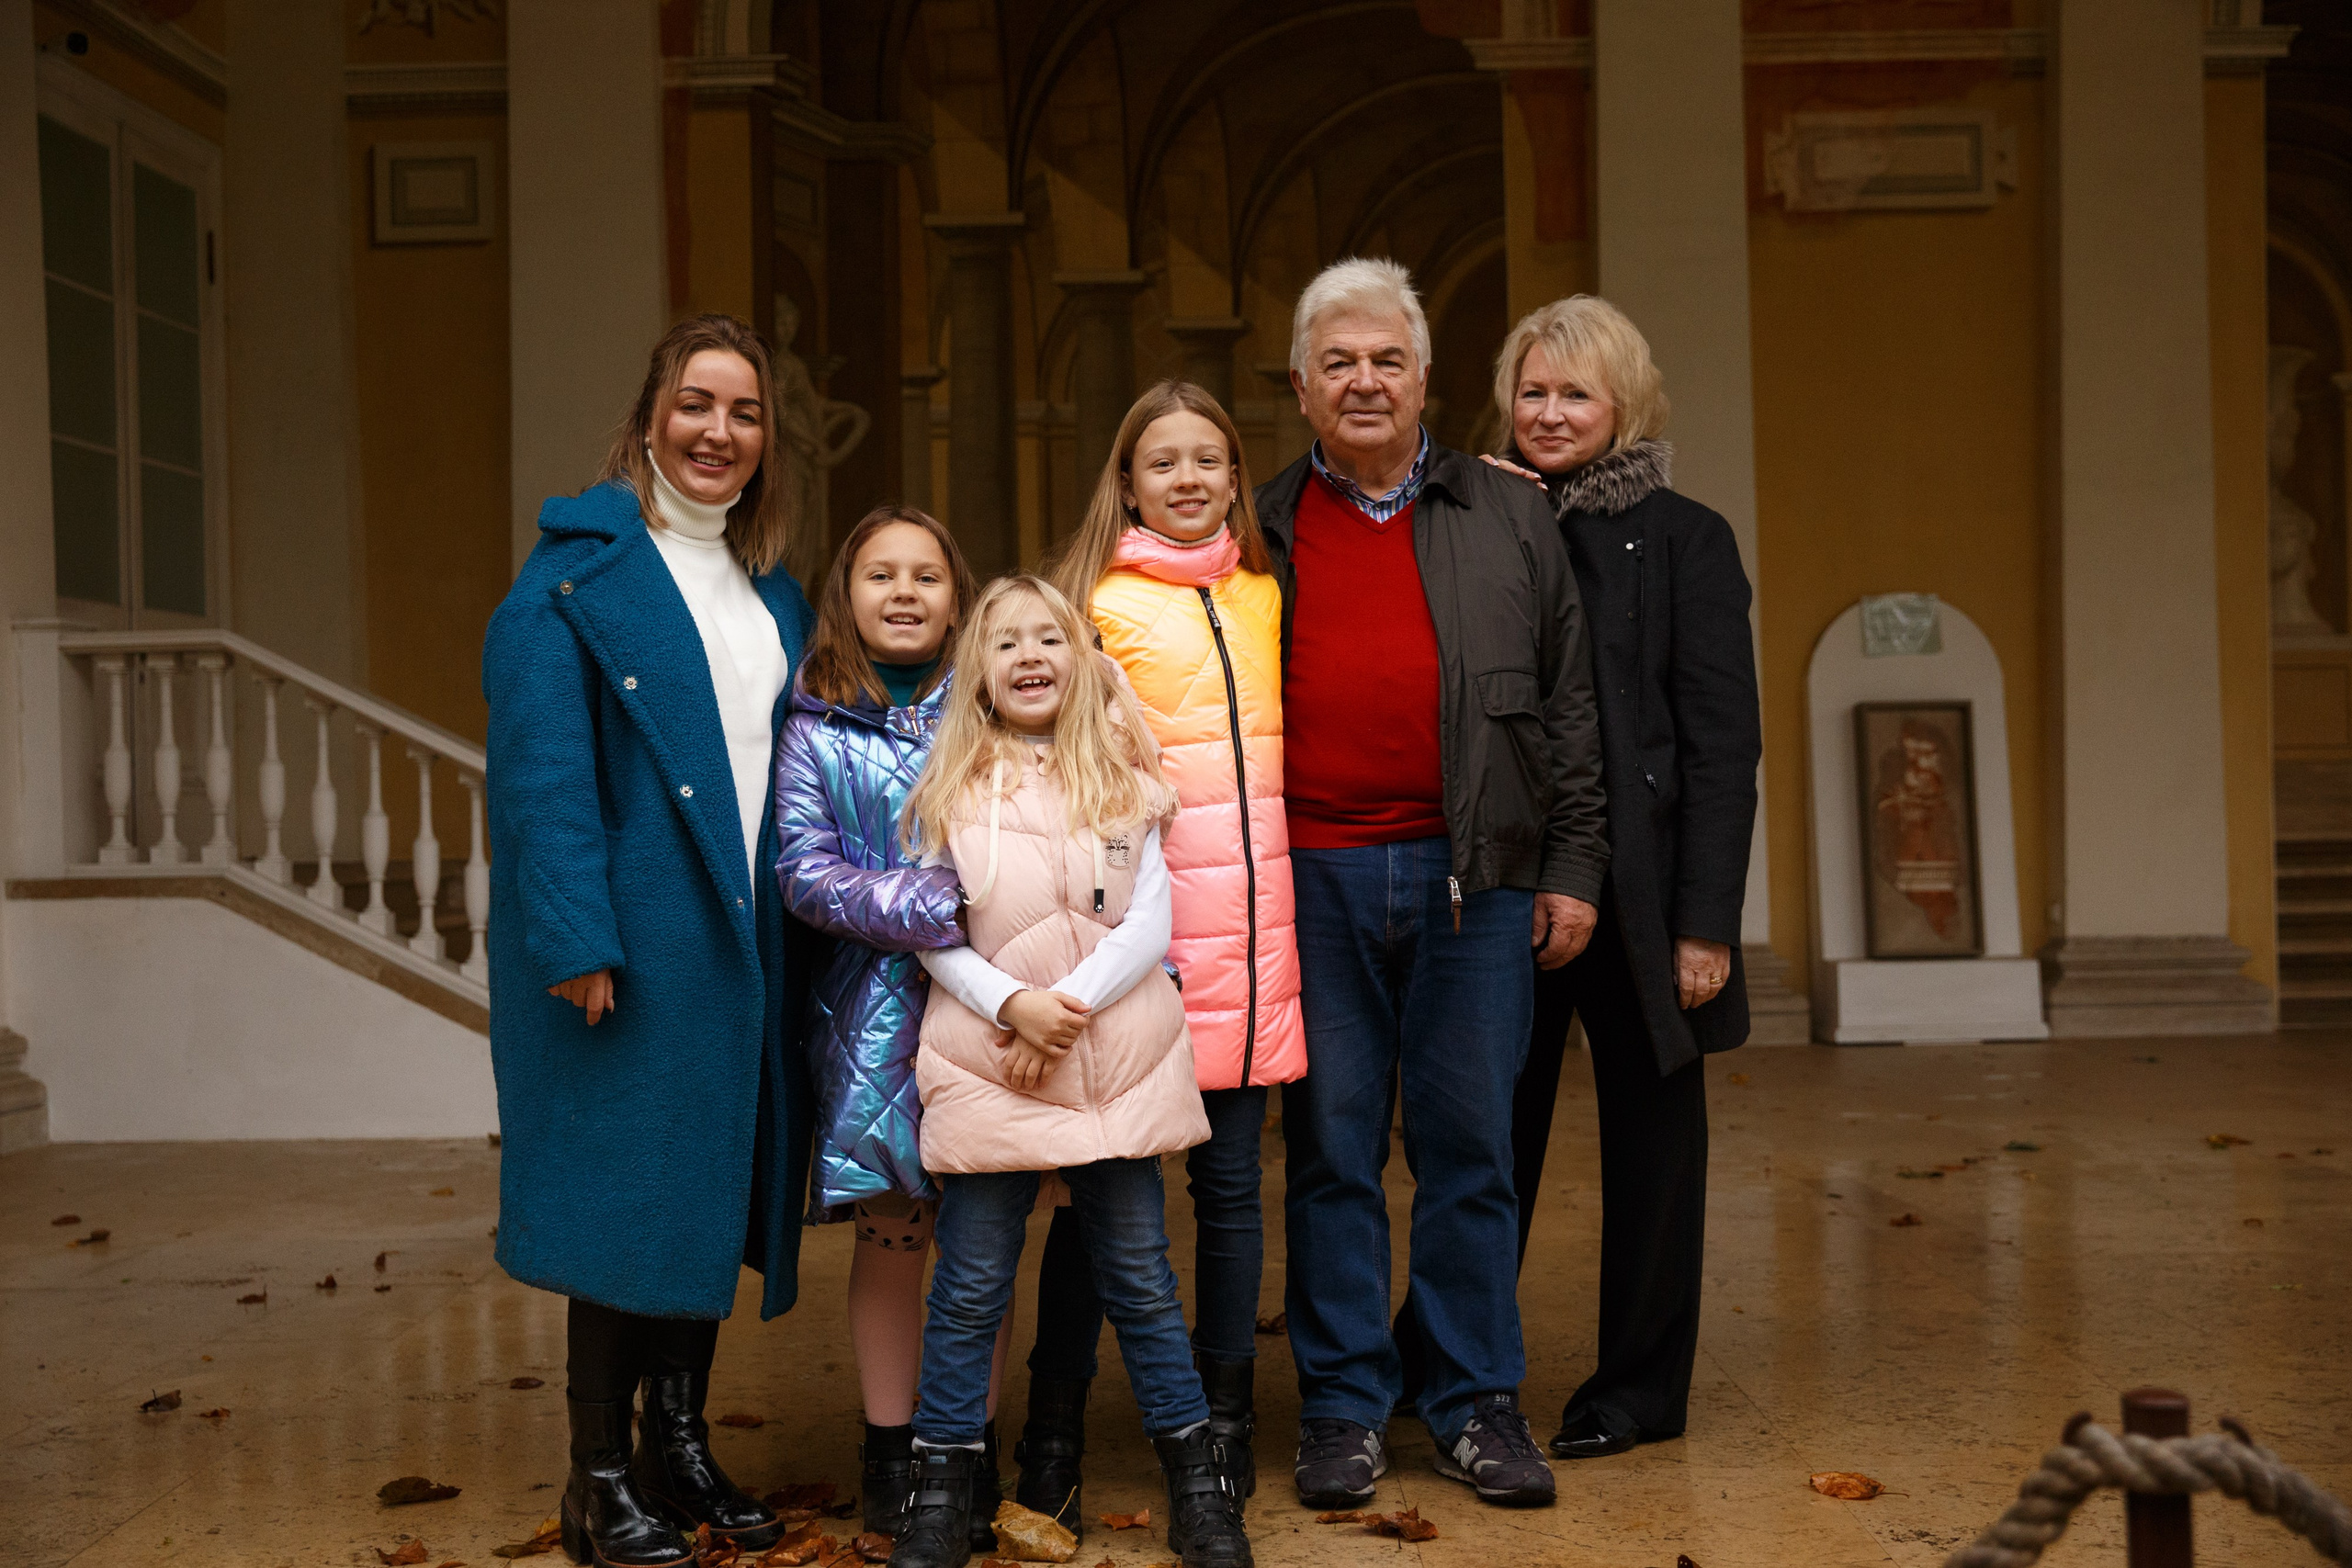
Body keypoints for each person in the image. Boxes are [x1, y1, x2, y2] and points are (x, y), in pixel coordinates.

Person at [1256, 257, 1609, 1511]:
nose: (1365, 380)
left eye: (1386, 359)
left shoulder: (1509, 516)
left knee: (1471, 1147)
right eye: (1339, 360)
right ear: (1301, 385)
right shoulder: (1259, 525)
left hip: (1480, 881)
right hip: (1314, 878)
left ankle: (1472, 1400)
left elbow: (1570, 704)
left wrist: (1572, 865)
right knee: (1334, 1148)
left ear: (1424, 381)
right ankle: (1345, 1407)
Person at [482, 313, 812, 1566]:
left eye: (744, 411)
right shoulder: (575, 578)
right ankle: (596, 1474)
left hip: (743, 939)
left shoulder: (769, 587)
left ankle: (677, 1443)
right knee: (620, 1201)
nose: (717, 431)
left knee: (704, 1187)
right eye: (695, 404)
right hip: (631, 942)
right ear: (649, 417)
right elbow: (542, 777)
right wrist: (575, 934)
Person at [888, 576, 1253, 1568]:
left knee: (1138, 1276)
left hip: (1111, 1059)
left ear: (1081, 659)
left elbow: (1150, 918)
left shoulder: (1124, 783)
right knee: (969, 1284)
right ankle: (942, 1480)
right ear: (977, 673)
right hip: (987, 1064)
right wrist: (1012, 1006)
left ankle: (1198, 1483)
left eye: (1048, 637)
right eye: (1005, 643)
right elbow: (927, 929)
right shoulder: (945, 791)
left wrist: (1071, 1005)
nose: (1029, 656)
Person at [1006, 381, 1307, 1536]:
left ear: (1237, 476)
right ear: (1125, 483)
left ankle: (1221, 1417)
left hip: (1254, 951)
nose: (1187, 480)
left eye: (1209, 461)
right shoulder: (1095, 609)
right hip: (1132, 950)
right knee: (1099, 1200)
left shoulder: (1267, 597)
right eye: (1161, 463)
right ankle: (1054, 1426)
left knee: (1231, 1197)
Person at [1478, 295, 1761, 1459]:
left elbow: (1719, 743)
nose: (1549, 414)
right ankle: (1450, 1362)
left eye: (1574, 394)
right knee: (1485, 1137)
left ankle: (1637, 1391)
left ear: (1623, 405)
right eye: (1532, 391)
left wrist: (1705, 922)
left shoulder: (1686, 537)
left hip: (1642, 898)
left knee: (1654, 1146)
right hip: (1501, 879)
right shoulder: (1473, 520)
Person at [772, 504, 1011, 1552]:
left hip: (995, 1006)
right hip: (871, 1018)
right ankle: (890, 1448)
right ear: (848, 597)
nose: (904, 592)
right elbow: (804, 871)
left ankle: (968, 1449)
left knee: (984, 1237)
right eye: (880, 575)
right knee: (894, 1231)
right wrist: (932, 905)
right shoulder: (815, 724)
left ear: (959, 598)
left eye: (926, 574)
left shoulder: (1000, 708)